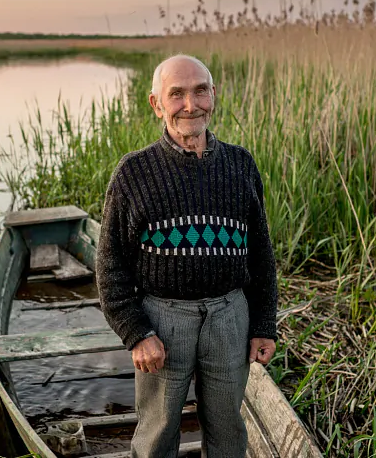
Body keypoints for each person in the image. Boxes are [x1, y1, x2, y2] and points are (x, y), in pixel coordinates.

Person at [95, 53, 278, 458]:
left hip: (230, 317)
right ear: (156, 104)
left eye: (200, 91)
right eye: (176, 94)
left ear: (214, 94)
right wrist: (137, 334)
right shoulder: (133, 173)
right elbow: (110, 270)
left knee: (228, 429)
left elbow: (260, 254)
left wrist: (263, 322)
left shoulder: (241, 164)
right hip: (164, 319)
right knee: (158, 432)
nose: (190, 105)